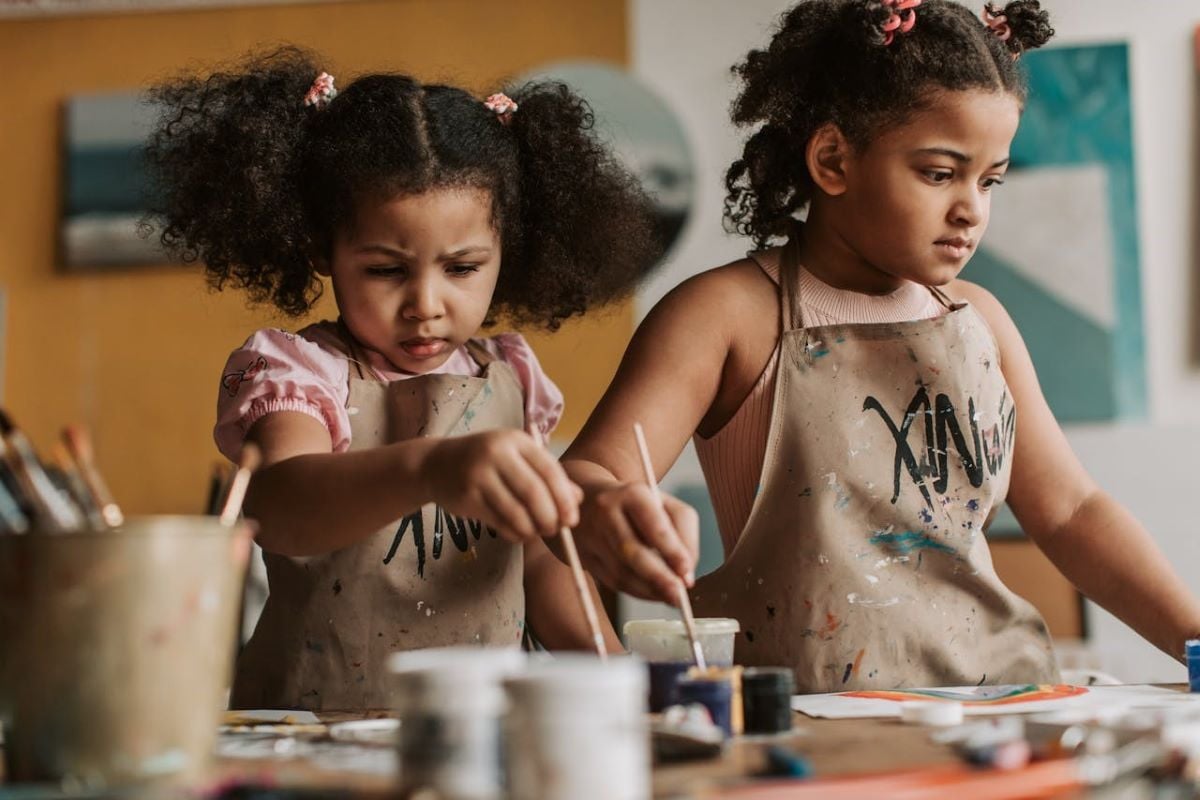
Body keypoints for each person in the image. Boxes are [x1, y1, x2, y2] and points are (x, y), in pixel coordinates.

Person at [562, 0, 1200, 691]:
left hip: (999, 705)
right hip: (813, 727)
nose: (971, 209)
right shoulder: (724, 315)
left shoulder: (981, 318)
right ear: (833, 160)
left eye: (990, 180)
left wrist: (1195, 641)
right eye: (939, 173)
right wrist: (610, 507)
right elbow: (586, 476)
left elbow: (1073, 512)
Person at [145, 47, 658, 709]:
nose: (426, 302)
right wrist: (433, 470)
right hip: (316, 730)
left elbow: (538, 562)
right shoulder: (301, 372)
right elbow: (278, 508)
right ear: (321, 248)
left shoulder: (511, 378)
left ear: (509, 249)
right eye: (387, 270)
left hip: (481, 727)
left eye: (464, 267)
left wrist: (621, 680)